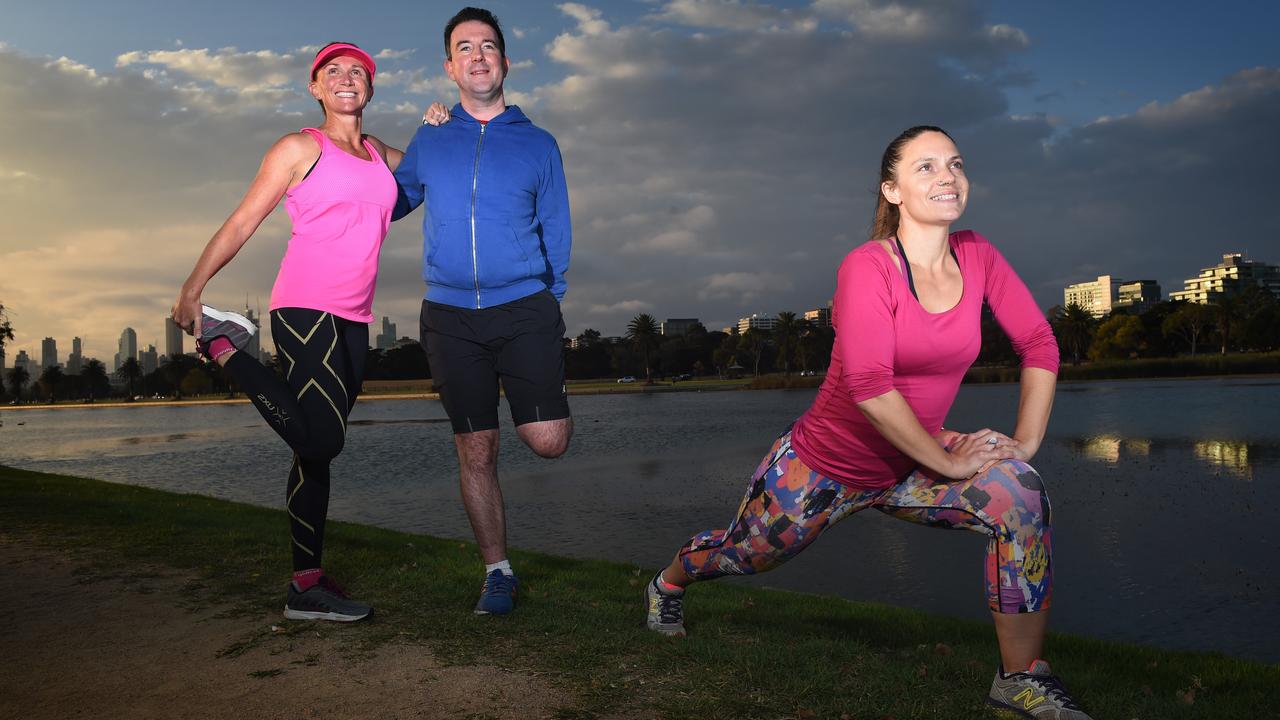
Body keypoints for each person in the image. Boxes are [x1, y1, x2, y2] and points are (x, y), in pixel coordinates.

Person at [644, 126, 1092, 719]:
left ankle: (1019, 679)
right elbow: (869, 386)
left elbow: (1039, 343)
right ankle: (668, 584)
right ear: (893, 189)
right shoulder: (868, 267)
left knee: (1022, 498)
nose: (947, 176)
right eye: (926, 167)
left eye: (955, 164)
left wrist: (1024, 444)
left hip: (914, 460)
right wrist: (954, 462)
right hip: (822, 468)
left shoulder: (978, 254)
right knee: (746, 554)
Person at [172, 42, 449, 622]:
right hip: (304, 307)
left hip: (354, 319)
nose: (346, 78)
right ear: (316, 88)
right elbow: (245, 219)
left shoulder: (379, 154)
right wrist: (193, 289)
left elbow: (431, 169)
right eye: (333, 72)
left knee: (313, 455)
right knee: (323, 439)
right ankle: (223, 347)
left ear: (370, 89)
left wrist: (435, 126)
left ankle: (306, 585)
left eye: (358, 72)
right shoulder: (300, 148)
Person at [393, 7, 573, 616]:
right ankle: (498, 572)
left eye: (488, 46)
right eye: (464, 48)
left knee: (548, 441)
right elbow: (391, 201)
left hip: (524, 307)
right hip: (449, 317)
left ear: (505, 62)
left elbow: (557, 229)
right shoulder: (432, 136)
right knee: (477, 450)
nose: (477, 56)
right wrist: (351, 148)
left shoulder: (539, 143)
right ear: (450, 66)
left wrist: (553, 299)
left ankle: (537, 400)